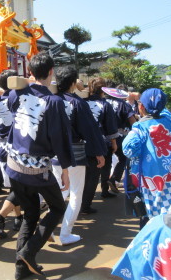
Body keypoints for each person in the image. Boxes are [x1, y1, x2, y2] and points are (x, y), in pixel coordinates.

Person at [5, 52, 74, 279]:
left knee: (30, 214)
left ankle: (20, 269)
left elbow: (11, 105)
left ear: (31, 73)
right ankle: (29, 250)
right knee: (57, 208)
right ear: (51, 72)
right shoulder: (54, 102)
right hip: (37, 170)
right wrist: (64, 169)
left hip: (14, 165)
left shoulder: (17, 93)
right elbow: (60, 137)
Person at [52, 67, 107, 246]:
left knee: (61, 191)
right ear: (73, 83)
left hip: (54, 153)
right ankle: (65, 233)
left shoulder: (49, 100)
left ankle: (51, 226)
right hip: (75, 152)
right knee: (75, 193)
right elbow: (90, 130)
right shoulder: (76, 102)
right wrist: (99, 152)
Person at [122, 88, 171, 228]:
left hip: (148, 180)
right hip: (169, 175)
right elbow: (162, 110)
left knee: (149, 215)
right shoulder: (169, 120)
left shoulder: (140, 127)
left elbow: (127, 149)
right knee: (169, 209)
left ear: (141, 107)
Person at [0, 69, 23, 239]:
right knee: (22, 187)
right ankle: (0, 217)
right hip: (17, 147)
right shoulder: (20, 98)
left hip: (1, 148)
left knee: (15, 186)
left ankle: (18, 218)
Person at [83, 77, 118, 213]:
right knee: (93, 176)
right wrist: (114, 143)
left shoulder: (82, 102)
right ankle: (85, 205)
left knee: (82, 176)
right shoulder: (105, 105)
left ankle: (79, 203)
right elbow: (110, 127)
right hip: (99, 143)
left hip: (81, 143)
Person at [105, 83, 136, 196]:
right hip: (118, 135)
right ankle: (114, 179)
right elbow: (132, 121)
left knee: (105, 162)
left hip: (101, 136)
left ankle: (104, 189)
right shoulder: (123, 104)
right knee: (123, 158)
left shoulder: (104, 102)